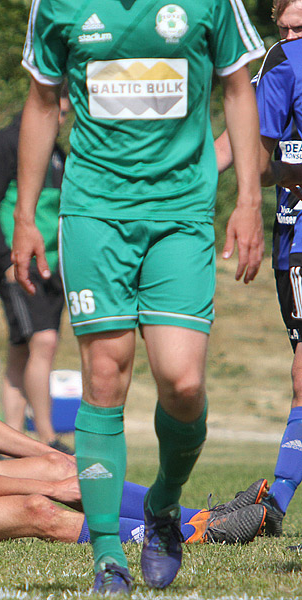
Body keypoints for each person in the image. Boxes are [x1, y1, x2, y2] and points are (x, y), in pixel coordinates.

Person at [15, 1, 265, 592]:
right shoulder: (57, 5)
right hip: (94, 212)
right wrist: (26, 214)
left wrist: (249, 200)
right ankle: (107, 552)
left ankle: (163, 506)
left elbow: (237, 89)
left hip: (180, 213)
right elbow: (42, 102)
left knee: (182, 382)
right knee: (105, 376)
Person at [0, 273, 267, 548]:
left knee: (64, 465)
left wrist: (53, 463)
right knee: (40, 509)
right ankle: (189, 536)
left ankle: (203, 517)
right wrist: (53, 486)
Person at [214, 0, 302, 539]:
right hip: (293, 235)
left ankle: (275, 503)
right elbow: (259, 158)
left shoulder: (283, 62)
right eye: (286, 27)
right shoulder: (282, 66)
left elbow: (245, 152)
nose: (292, 36)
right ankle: (275, 499)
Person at [0, 93, 70, 453]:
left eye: (66, 114)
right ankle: (48, 438)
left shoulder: (57, 152)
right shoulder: (4, 145)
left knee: (21, 348)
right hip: (19, 264)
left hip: (53, 266)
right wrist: (5, 261)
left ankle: (10, 439)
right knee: (43, 342)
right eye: (57, 112)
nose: (61, 120)